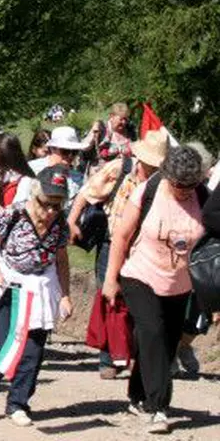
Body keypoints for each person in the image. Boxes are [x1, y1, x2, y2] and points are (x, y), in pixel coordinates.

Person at [102, 146, 215, 435]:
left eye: (191, 185)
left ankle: (137, 394)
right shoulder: (148, 191)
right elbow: (122, 236)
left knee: (163, 343)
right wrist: (110, 279)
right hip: (140, 275)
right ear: (168, 176)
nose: (184, 191)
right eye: (179, 185)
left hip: (180, 284)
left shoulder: (203, 198)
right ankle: (158, 408)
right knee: (152, 331)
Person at [0, 167, 74, 427]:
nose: (51, 211)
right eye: (46, 204)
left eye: (57, 205)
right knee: (2, 343)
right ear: (35, 195)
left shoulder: (60, 223)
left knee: (33, 351)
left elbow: (62, 260)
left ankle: (18, 403)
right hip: (10, 284)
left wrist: (65, 295)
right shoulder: (12, 214)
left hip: (41, 286)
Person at [69, 127, 167, 379]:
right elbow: (87, 193)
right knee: (108, 296)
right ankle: (108, 358)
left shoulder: (164, 182)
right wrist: (71, 221)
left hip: (144, 250)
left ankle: (134, 355)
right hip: (111, 243)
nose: (152, 170)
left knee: (139, 302)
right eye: (150, 164)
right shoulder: (119, 169)